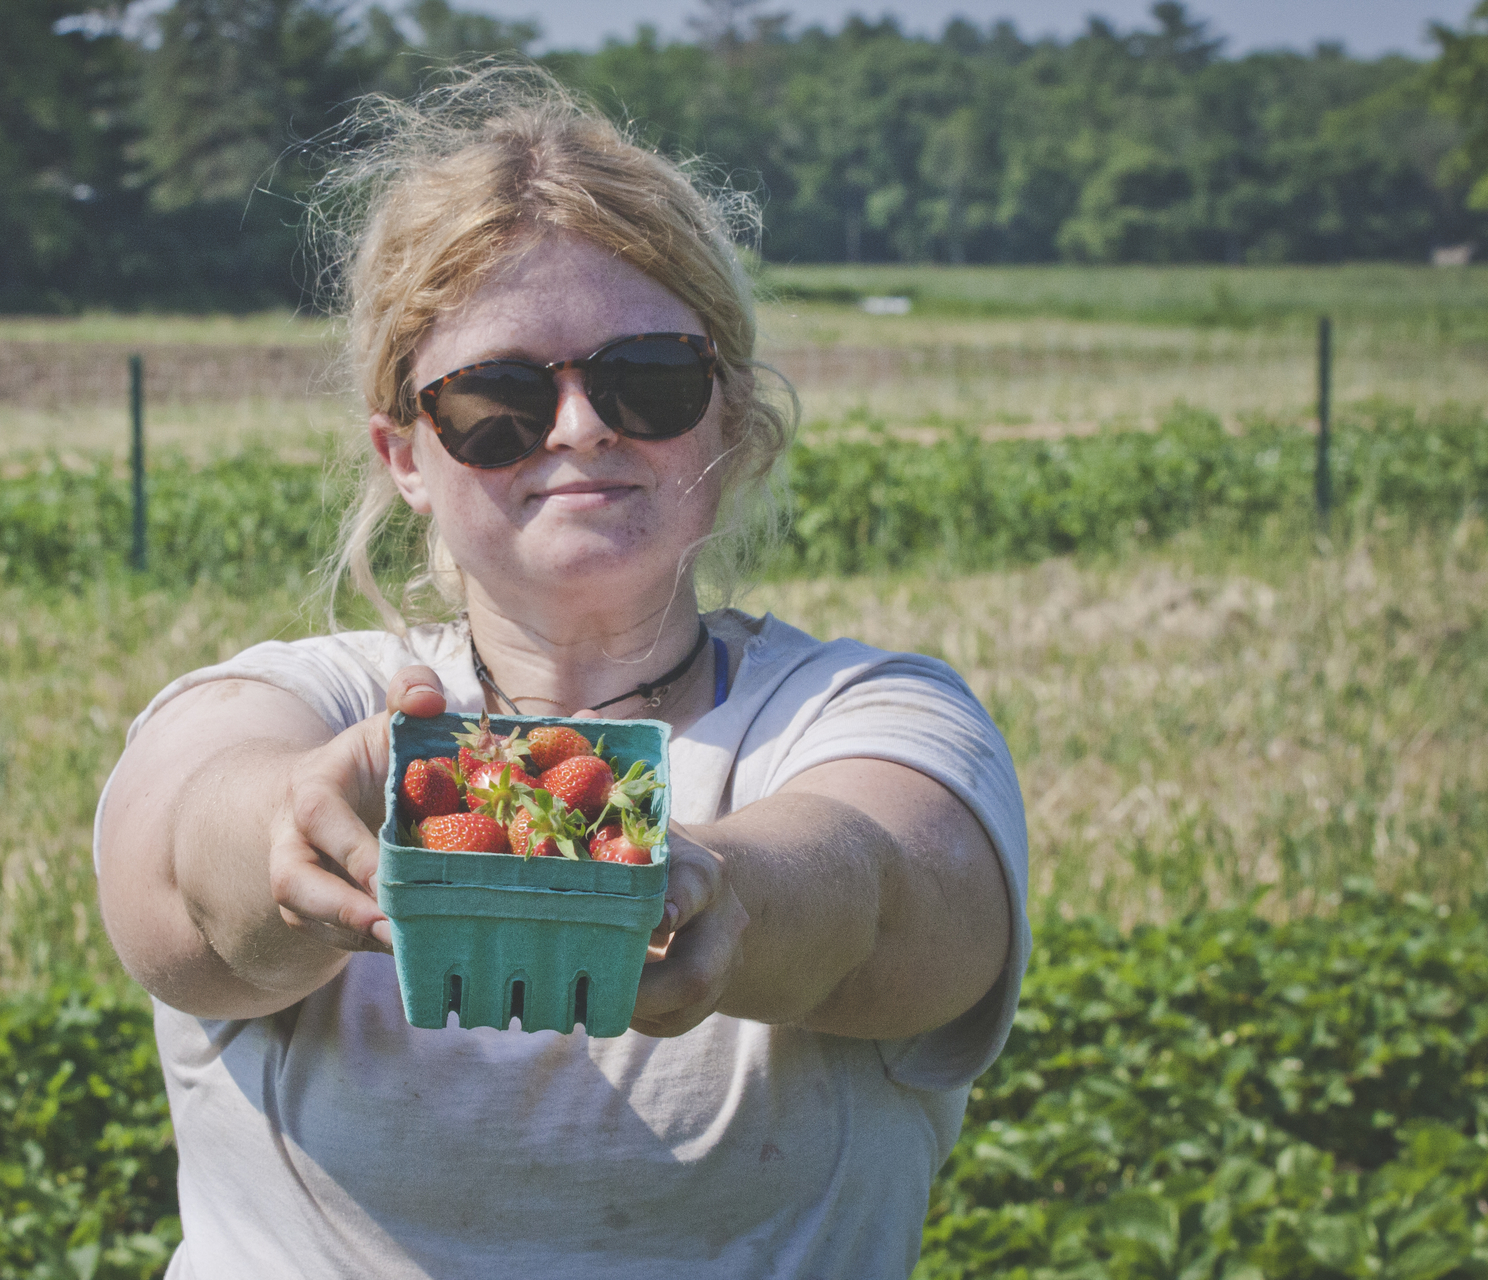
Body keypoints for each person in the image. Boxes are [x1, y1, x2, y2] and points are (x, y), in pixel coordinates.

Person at [94, 70, 1029, 1279]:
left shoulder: (863, 716)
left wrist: (720, 895)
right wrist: (291, 839)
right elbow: (177, 875)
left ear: (728, 420)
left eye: (648, 380)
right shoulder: (303, 703)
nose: (582, 428)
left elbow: (885, 896)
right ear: (407, 454)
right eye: (499, 399)